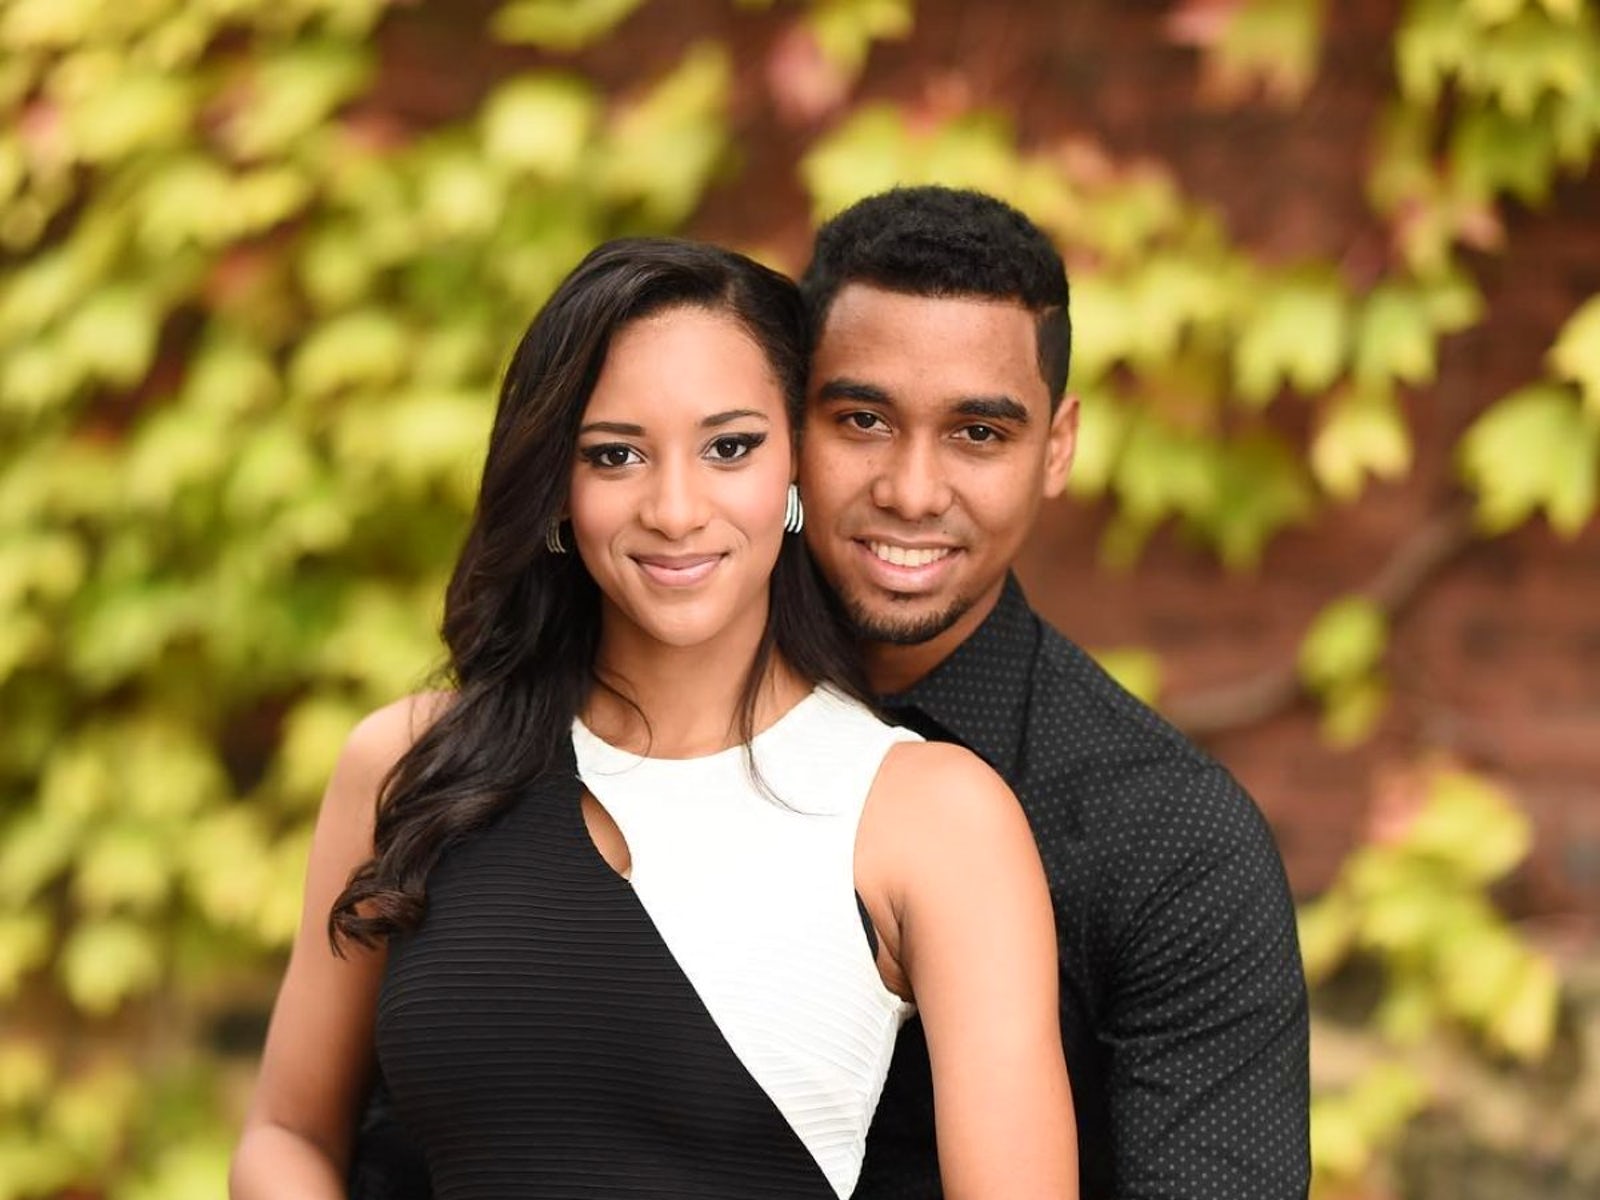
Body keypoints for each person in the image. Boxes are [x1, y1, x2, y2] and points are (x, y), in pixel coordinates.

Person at [229, 237, 1076, 1199]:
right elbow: (285, 1135)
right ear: (557, 485)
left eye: (730, 447)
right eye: (616, 455)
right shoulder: (407, 763)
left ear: (797, 468)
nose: (676, 511)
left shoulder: (934, 816)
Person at [796, 186, 1311, 1199]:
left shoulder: (1172, 842)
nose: (911, 490)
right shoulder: (646, 732)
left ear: (1057, 447)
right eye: (862, 419)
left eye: (978, 435)